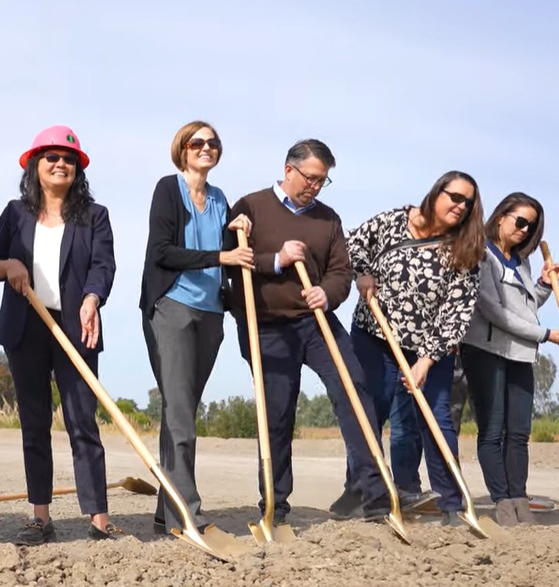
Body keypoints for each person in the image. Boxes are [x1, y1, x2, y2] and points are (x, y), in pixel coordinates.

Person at [228, 139, 393, 527]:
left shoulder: (328, 219)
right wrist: (277, 260)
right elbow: (233, 267)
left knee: (354, 389)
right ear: (288, 170)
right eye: (311, 178)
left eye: (323, 181)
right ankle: (276, 506)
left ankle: (376, 496)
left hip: (316, 322)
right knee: (278, 413)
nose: (315, 186)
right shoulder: (249, 207)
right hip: (266, 323)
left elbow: (340, 272)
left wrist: (329, 293)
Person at [0, 125, 121, 544]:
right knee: (35, 422)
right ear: (35, 165)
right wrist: (9, 267)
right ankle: (40, 516)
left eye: (68, 158)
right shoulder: (15, 213)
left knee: (83, 422)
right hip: (26, 328)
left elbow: (103, 266)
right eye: (51, 157)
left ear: (78, 168)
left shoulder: (95, 216)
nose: (60, 163)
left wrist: (92, 298)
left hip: (77, 329)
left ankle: (98, 518)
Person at [347, 171, 485, 526]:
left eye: (468, 202)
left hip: (428, 348)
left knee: (436, 416)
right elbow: (352, 247)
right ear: (436, 193)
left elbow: (458, 311)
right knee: (370, 411)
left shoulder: (465, 249)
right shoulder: (395, 221)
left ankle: (452, 503)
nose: (460, 205)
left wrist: (426, 359)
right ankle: (365, 492)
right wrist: (362, 273)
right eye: (454, 196)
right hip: (374, 334)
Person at [137, 121, 252, 535]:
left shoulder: (220, 199)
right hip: (172, 306)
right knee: (182, 413)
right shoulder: (168, 189)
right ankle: (188, 512)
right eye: (197, 142)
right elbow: (163, 251)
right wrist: (223, 257)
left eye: (213, 143)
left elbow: (230, 251)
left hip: (210, 314)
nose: (207, 148)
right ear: (182, 150)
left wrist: (239, 230)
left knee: (179, 410)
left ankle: (165, 509)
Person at [461, 192, 558, 526]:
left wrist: (544, 285)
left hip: (520, 353)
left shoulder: (523, 261)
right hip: (486, 351)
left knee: (519, 432)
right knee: (492, 431)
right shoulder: (480, 255)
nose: (524, 230)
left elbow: (527, 309)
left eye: (530, 227)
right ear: (501, 216)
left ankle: (519, 498)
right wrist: (547, 335)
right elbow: (494, 312)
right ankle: (501, 501)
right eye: (520, 221)